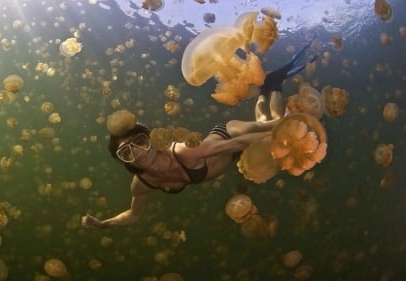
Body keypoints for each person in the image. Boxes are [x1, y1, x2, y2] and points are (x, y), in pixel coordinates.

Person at [81, 38, 316, 229]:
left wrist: (282, 135)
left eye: (140, 142)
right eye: (126, 152)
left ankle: (273, 85)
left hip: (226, 136)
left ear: (150, 139)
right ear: (124, 161)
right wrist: (104, 224)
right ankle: (269, 86)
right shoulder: (142, 183)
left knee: (276, 124)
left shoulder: (183, 153)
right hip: (229, 154)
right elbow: (133, 214)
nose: (139, 154)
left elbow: (235, 145)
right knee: (268, 122)